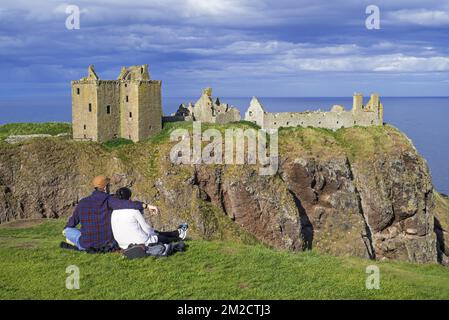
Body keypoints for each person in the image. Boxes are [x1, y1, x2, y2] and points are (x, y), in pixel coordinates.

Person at [63, 175, 154, 251]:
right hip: (107, 243)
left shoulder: (83, 202)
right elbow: (126, 204)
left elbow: (71, 224)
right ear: (105, 188)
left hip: (86, 244)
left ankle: (76, 240)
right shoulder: (109, 200)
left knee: (67, 231)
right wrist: (145, 205)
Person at [111, 187, 188, 250]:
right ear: (129, 198)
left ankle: (177, 233)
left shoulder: (114, 212)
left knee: (155, 233)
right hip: (140, 242)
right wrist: (155, 234)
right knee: (162, 238)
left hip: (122, 244)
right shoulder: (134, 211)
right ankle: (178, 237)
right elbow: (147, 229)